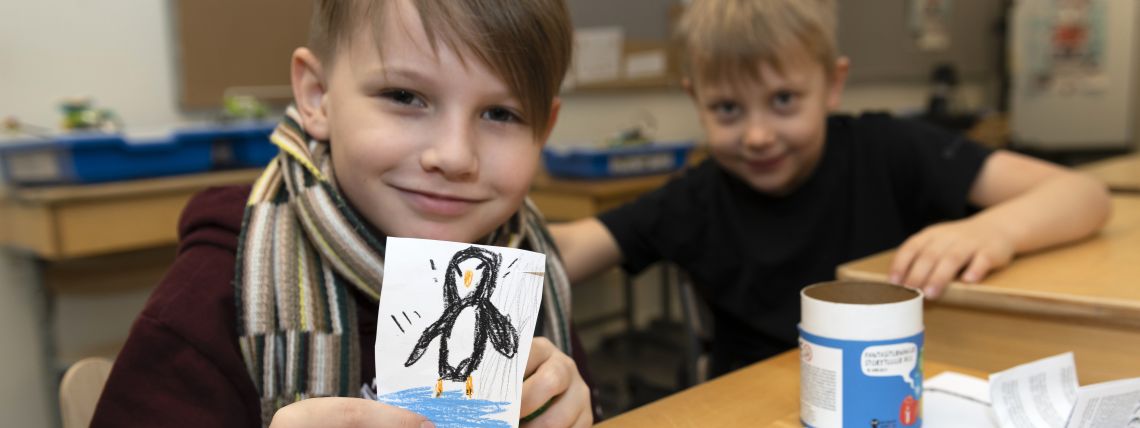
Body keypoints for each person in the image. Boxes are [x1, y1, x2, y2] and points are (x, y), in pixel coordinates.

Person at [92, 1, 593, 426]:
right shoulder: (214, 290)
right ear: (318, 97)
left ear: (543, 130)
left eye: (500, 113)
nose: (455, 156)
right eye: (404, 97)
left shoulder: (527, 265)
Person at [552, 0, 1111, 377]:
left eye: (783, 100)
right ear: (695, 100)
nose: (757, 135)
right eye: (726, 109)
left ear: (832, 84)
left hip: (886, 389)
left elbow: (1083, 196)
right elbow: (570, 250)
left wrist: (994, 230)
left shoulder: (889, 149)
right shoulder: (695, 196)